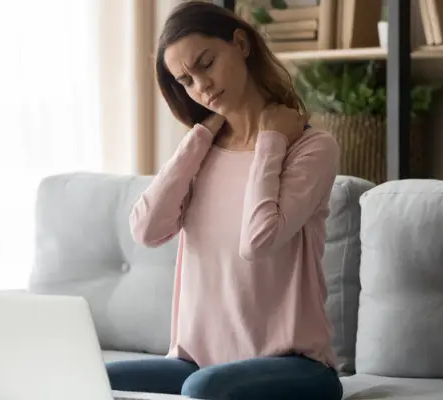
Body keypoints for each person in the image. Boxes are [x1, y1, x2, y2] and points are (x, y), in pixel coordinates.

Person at [106, 2, 342, 399]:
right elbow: (146, 230)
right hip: (200, 362)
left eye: (206, 63)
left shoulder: (311, 148)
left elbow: (258, 241)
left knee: (202, 389)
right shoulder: (202, 152)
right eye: (186, 80)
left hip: (294, 366)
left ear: (240, 44)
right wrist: (198, 138)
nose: (202, 87)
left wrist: (271, 142)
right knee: (92, 379)